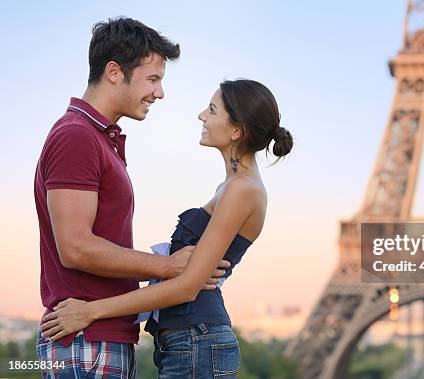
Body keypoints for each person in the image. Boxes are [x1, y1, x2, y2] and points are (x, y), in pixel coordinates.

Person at [40, 79, 294, 379]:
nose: (202, 116)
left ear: (237, 130)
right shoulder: (231, 187)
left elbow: (187, 286)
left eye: (212, 110)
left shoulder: (243, 190)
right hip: (187, 341)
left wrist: (90, 311)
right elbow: (181, 273)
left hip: (198, 340)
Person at [34, 17, 228, 378]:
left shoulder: (97, 138)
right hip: (86, 341)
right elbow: (75, 247)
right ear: (113, 72)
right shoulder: (77, 137)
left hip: (97, 338)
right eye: (152, 79)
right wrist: (168, 266)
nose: (160, 92)